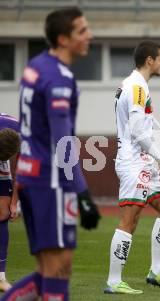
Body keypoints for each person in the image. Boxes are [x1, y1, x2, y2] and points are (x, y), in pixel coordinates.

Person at [0, 7, 100, 301]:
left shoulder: (35, 66)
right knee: (58, 270)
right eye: (81, 31)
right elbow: (63, 140)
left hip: (30, 180)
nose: (89, 35)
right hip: (49, 182)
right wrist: (81, 192)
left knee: (51, 269)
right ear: (63, 39)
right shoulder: (59, 78)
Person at [104, 40, 160, 294]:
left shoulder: (134, 84)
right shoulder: (136, 87)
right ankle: (114, 282)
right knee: (129, 220)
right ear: (150, 61)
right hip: (135, 162)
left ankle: (156, 271)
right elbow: (136, 131)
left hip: (143, 161)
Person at [0, 114, 20, 292]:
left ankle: (0, 277)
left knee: (4, 213)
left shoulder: (27, 138)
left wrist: (14, 202)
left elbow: (22, 171)